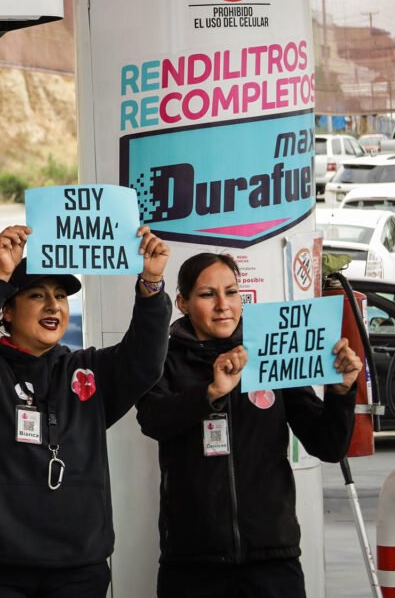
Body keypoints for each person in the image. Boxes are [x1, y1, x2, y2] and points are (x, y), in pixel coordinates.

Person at [0, 224, 172, 597]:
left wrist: (151, 285)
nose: (53, 305)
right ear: (6, 312)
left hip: (79, 564)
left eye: (60, 296)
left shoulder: (88, 371)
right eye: (37, 295)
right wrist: (0, 276)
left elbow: (145, 360)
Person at [135, 253, 362, 598]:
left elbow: (328, 446)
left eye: (231, 292)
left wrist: (342, 392)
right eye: (207, 294)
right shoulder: (163, 358)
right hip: (193, 562)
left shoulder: (269, 350)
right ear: (182, 302)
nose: (223, 305)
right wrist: (210, 392)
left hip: (273, 559)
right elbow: (153, 420)